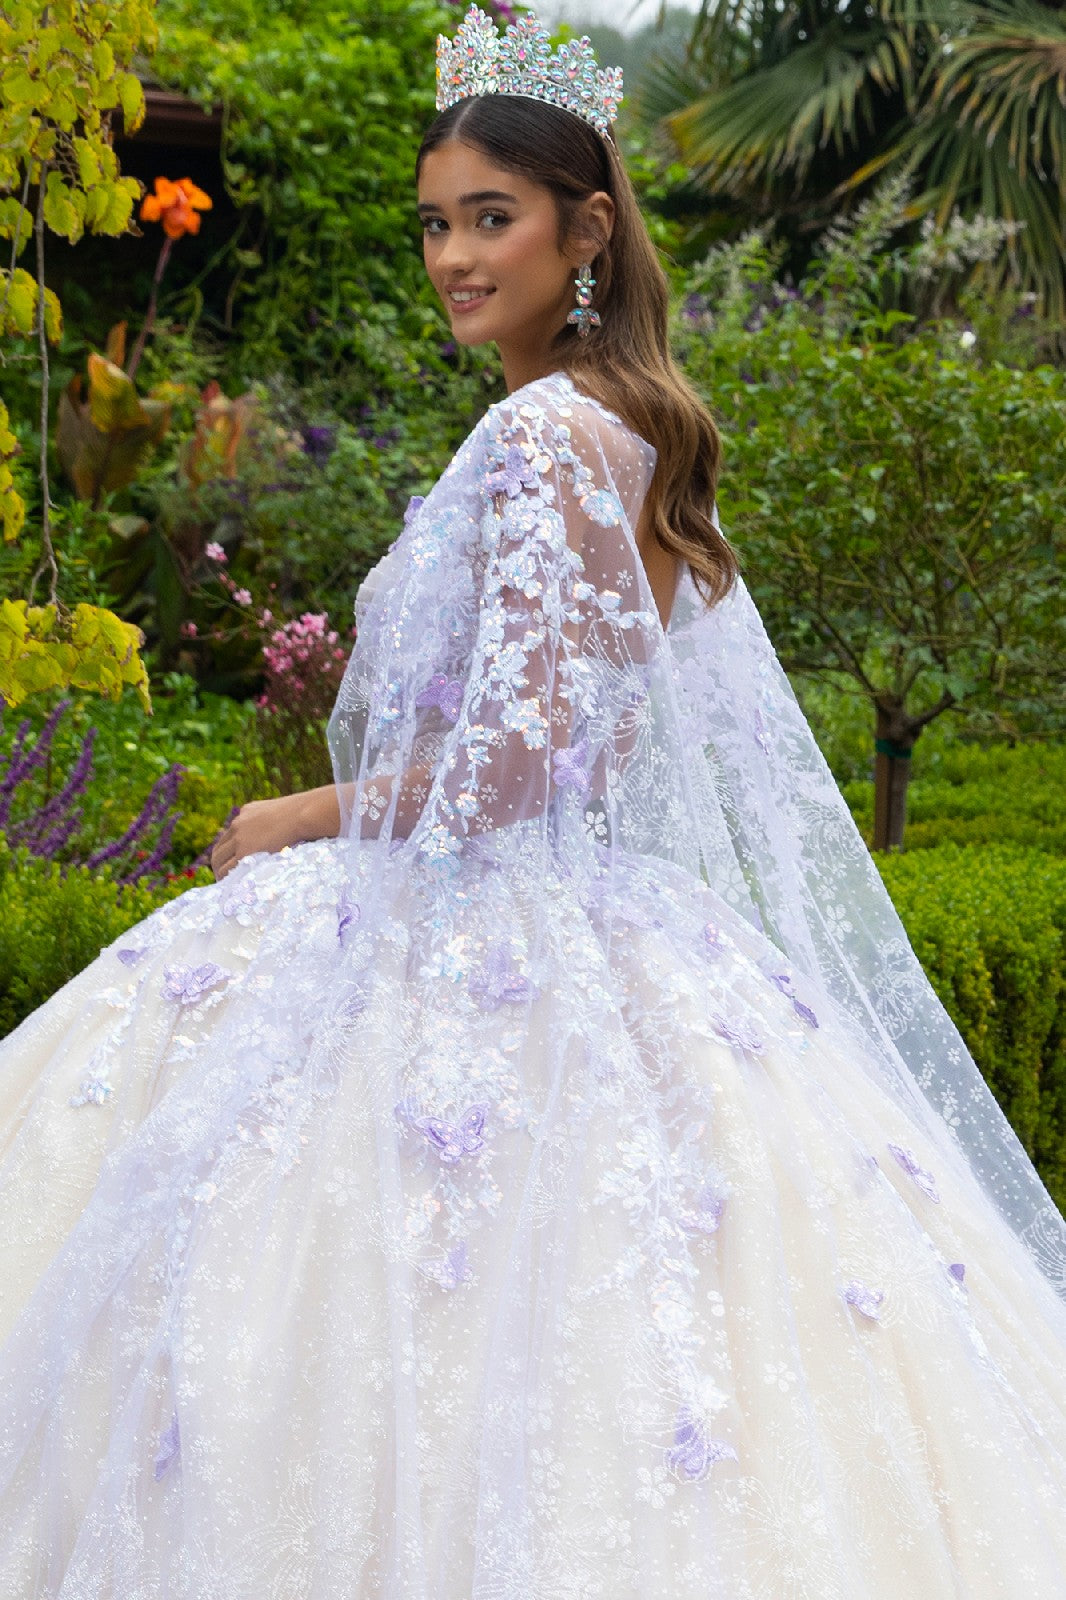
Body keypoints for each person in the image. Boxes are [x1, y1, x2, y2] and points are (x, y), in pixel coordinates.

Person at [2, 8, 1065, 1595]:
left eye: (488, 218)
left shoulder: (538, 436)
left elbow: (517, 765)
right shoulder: (623, 425)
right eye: (435, 223)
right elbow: (592, 747)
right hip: (598, 910)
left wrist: (298, 817)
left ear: (586, 230)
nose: (450, 256)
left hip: (483, 913)